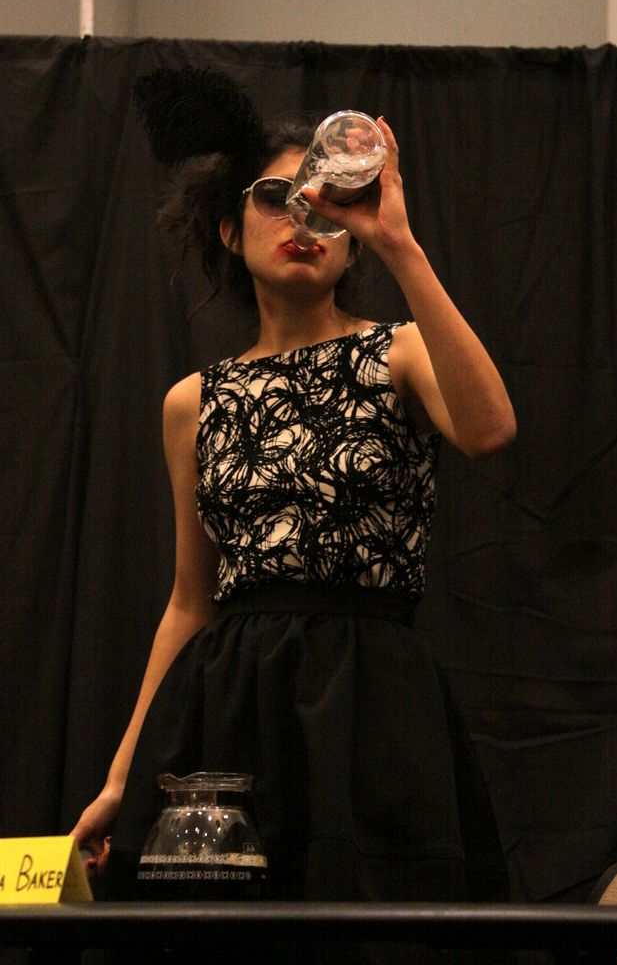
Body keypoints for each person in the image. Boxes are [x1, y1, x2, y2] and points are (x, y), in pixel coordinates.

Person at [71, 68, 516, 961]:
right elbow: (189, 601)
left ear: (350, 243)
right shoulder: (193, 401)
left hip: (371, 704)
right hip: (228, 709)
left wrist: (398, 243)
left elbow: (489, 429)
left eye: (324, 207)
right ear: (229, 228)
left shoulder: (399, 353)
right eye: (275, 199)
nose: (301, 220)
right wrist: (121, 777)